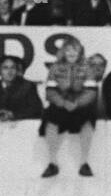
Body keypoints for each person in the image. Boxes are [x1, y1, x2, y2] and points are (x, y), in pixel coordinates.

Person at [39, 37, 99, 177]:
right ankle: (52, 163)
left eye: (75, 49)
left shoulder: (87, 68)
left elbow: (91, 92)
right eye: (68, 49)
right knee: (50, 122)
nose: (71, 52)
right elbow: (50, 91)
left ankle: (84, 163)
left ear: (80, 52)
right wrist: (62, 102)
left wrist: (77, 103)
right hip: (61, 103)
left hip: (80, 105)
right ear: (63, 52)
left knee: (88, 122)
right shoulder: (55, 68)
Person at [0, 55, 44, 121]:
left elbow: (36, 109)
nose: (9, 71)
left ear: (16, 70)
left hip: (20, 127)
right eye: (5, 68)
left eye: (13, 68)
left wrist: (12, 114)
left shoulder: (27, 86)